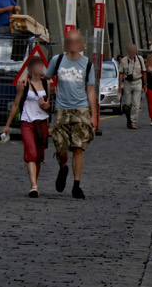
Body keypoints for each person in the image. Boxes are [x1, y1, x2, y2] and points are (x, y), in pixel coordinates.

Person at [46, 30, 97, 198]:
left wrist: (94, 114)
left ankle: (76, 185)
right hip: (61, 109)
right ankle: (63, 167)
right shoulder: (57, 60)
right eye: (70, 41)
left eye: (76, 41)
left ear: (81, 44)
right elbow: (46, 77)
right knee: (61, 148)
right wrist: (47, 97)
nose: (73, 45)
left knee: (78, 147)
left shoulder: (87, 64)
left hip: (80, 110)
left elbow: (90, 89)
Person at [2, 54, 51, 198]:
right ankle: (34, 186)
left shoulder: (46, 83)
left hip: (41, 121)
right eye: (37, 66)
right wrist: (7, 125)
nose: (40, 68)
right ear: (30, 68)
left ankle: (35, 180)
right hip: (27, 121)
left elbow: (49, 105)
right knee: (31, 153)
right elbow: (16, 104)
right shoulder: (23, 83)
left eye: (41, 66)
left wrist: (45, 105)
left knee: (40, 155)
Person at [117, 44, 145, 130]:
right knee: (127, 104)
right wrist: (120, 85)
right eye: (130, 50)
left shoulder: (140, 59)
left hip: (137, 81)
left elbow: (144, 72)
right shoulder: (124, 60)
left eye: (133, 50)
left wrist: (144, 85)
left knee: (136, 104)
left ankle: (133, 122)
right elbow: (121, 73)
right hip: (127, 83)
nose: (132, 52)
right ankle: (128, 119)